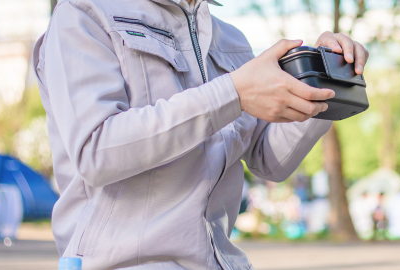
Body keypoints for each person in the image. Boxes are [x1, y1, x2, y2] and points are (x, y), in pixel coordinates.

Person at [33, 0, 369, 268]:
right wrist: (232, 93)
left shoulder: (232, 39)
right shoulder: (84, 15)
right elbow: (97, 151)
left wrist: (323, 89)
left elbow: (269, 162)